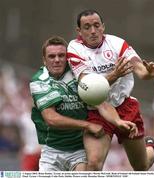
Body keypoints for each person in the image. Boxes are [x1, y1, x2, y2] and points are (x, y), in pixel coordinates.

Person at [67, 9, 154, 171]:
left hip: (125, 107)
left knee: (141, 166)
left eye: (96, 25)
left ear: (103, 27)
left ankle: (150, 147)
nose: (93, 31)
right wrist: (115, 75)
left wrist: (148, 73)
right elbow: (89, 89)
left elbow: (139, 68)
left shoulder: (117, 43)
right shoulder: (74, 49)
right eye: (87, 27)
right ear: (79, 31)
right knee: (94, 164)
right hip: (96, 109)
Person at [29, 36, 137, 171]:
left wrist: (118, 121)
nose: (57, 60)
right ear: (44, 60)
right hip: (52, 150)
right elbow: (51, 118)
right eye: (51, 56)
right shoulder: (39, 81)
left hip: (79, 149)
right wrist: (87, 125)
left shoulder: (80, 75)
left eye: (61, 55)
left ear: (67, 58)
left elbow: (100, 103)